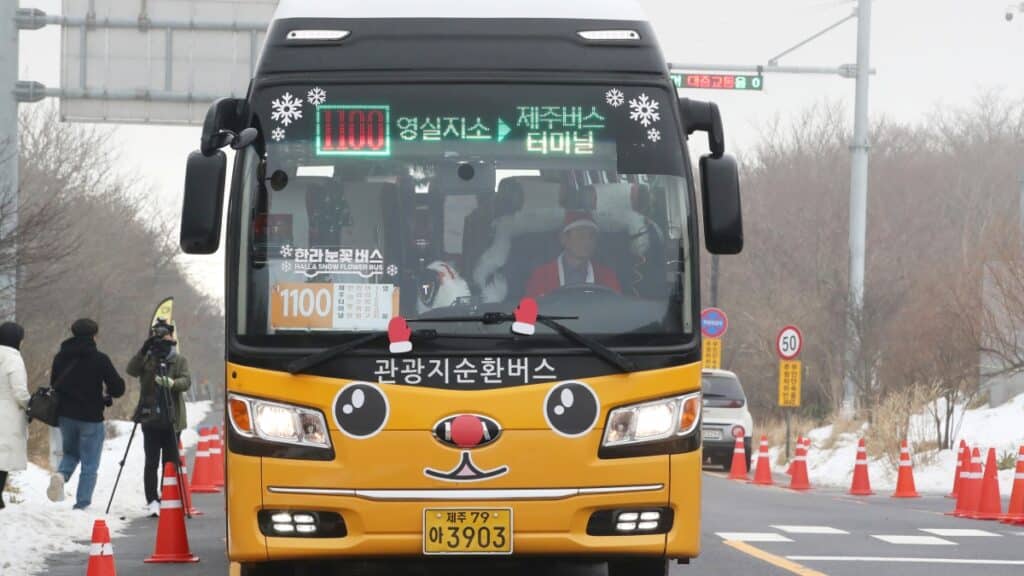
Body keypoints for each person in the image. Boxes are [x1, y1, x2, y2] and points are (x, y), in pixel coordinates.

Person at [48, 319, 126, 510]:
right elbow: (117, 388)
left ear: (73, 333)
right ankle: (82, 503)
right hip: (91, 417)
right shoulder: (100, 359)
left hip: (65, 416)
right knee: (90, 463)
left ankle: (61, 475)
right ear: (94, 335)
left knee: (71, 453)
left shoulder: (60, 357)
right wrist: (108, 391)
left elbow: (54, 384)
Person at [127, 319, 191, 517]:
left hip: (172, 418)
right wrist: (144, 350)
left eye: (164, 335)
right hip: (150, 417)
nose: (161, 339)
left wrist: (172, 383)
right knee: (151, 461)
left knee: (170, 462)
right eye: (157, 335)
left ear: (171, 337)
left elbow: (186, 381)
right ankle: (152, 500)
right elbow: (131, 370)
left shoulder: (178, 360)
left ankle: (168, 496)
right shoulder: (148, 358)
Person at [524, 211, 621, 299]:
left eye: (591, 236)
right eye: (580, 235)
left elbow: (617, 309)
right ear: (563, 239)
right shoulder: (541, 276)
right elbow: (527, 312)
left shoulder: (607, 277)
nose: (587, 241)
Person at [0, 322, 29, 511]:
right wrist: (30, 406)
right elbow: (19, 392)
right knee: (3, 456)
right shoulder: (13, 358)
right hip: (7, 413)